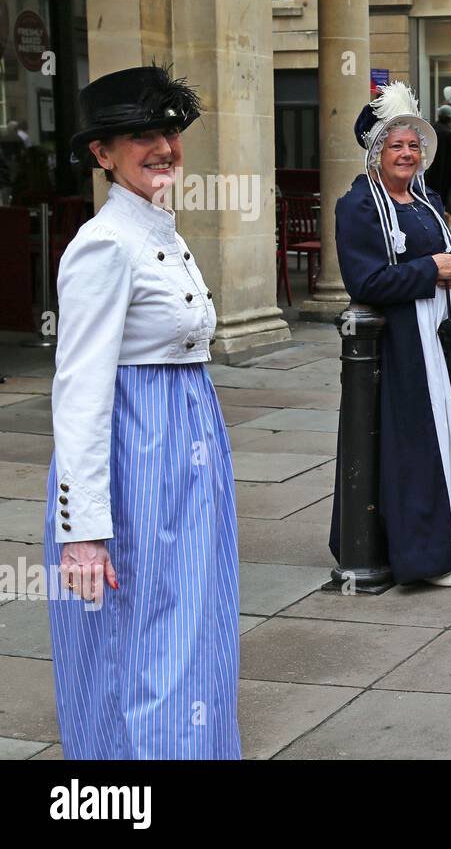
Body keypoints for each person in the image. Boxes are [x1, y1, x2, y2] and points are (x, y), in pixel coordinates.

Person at [48, 65, 239, 758]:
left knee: (194, 626)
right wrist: (83, 530)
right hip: (138, 451)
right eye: (140, 136)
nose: (163, 147)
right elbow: (80, 390)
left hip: (187, 440)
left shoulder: (161, 227)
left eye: (168, 130)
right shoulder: (104, 244)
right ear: (101, 153)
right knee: (148, 640)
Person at [331, 81, 451, 587]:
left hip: (440, 341)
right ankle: (422, 556)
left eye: (414, 145)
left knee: (449, 437)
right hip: (400, 346)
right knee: (416, 443)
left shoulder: (426, 200)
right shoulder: (357, 206)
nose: (407, 154)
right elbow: (365, 281)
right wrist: (431, 270)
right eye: (396, 145)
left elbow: (450, 259)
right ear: (377, 151)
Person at [424, 104, 451, 223]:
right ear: (450, 118)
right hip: (442, 181)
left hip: (427, 178)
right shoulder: (449, 135)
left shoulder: (431, 130)